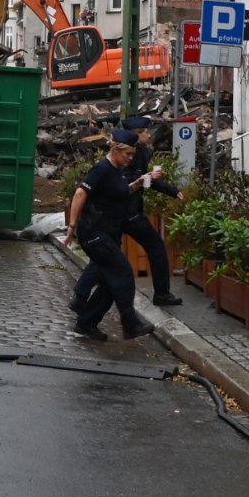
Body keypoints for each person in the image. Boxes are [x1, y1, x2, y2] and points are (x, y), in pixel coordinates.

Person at [69, 118, 183, 309]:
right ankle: (160, 293)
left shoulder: (138, 153)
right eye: (145, 131)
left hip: (121, 213)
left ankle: (80, 296)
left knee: (107, 255)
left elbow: (143, 181)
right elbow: (121, 182)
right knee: (154, 247)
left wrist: (169, 189)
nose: (149, 135)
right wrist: (72, 225)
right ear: (136, 134)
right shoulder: (126, 155)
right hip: (126, 212)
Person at [62, 134, 156, 342]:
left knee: (109, 281)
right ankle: (130, 324)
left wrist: (138, 183)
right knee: (123, 273)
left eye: (133, 153)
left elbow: (121, 192)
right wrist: (72, 227)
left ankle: (86, 323)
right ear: (116, 151)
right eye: (128, 153)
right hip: (95, 233)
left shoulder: (117, 172)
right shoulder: (102, 169)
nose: (131, 158)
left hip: (108, 233)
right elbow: (79, 194)